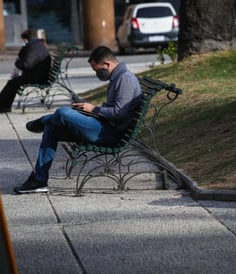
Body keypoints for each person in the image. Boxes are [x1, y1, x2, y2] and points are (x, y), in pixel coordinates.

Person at [13, 45, 141, 194]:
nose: (96, 73)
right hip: (102, 125)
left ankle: (43, 120)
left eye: (96, 69)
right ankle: (39, 180)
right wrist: (89, 111)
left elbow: (118, 113)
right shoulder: (118, 77)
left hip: (109, 133)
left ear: (107, 64)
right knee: (52, 129)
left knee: (62, 112)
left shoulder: (125, 79)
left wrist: (93, 109)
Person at [0, 28, 51, 113]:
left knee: (12, 83)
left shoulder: (32, 47)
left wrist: (17, 62)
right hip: (40, 74)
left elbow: (26, 65)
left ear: (25, 39)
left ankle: (1, 106)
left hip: (37, 76)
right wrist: (23, 50)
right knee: (13, 82)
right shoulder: (38, 44)